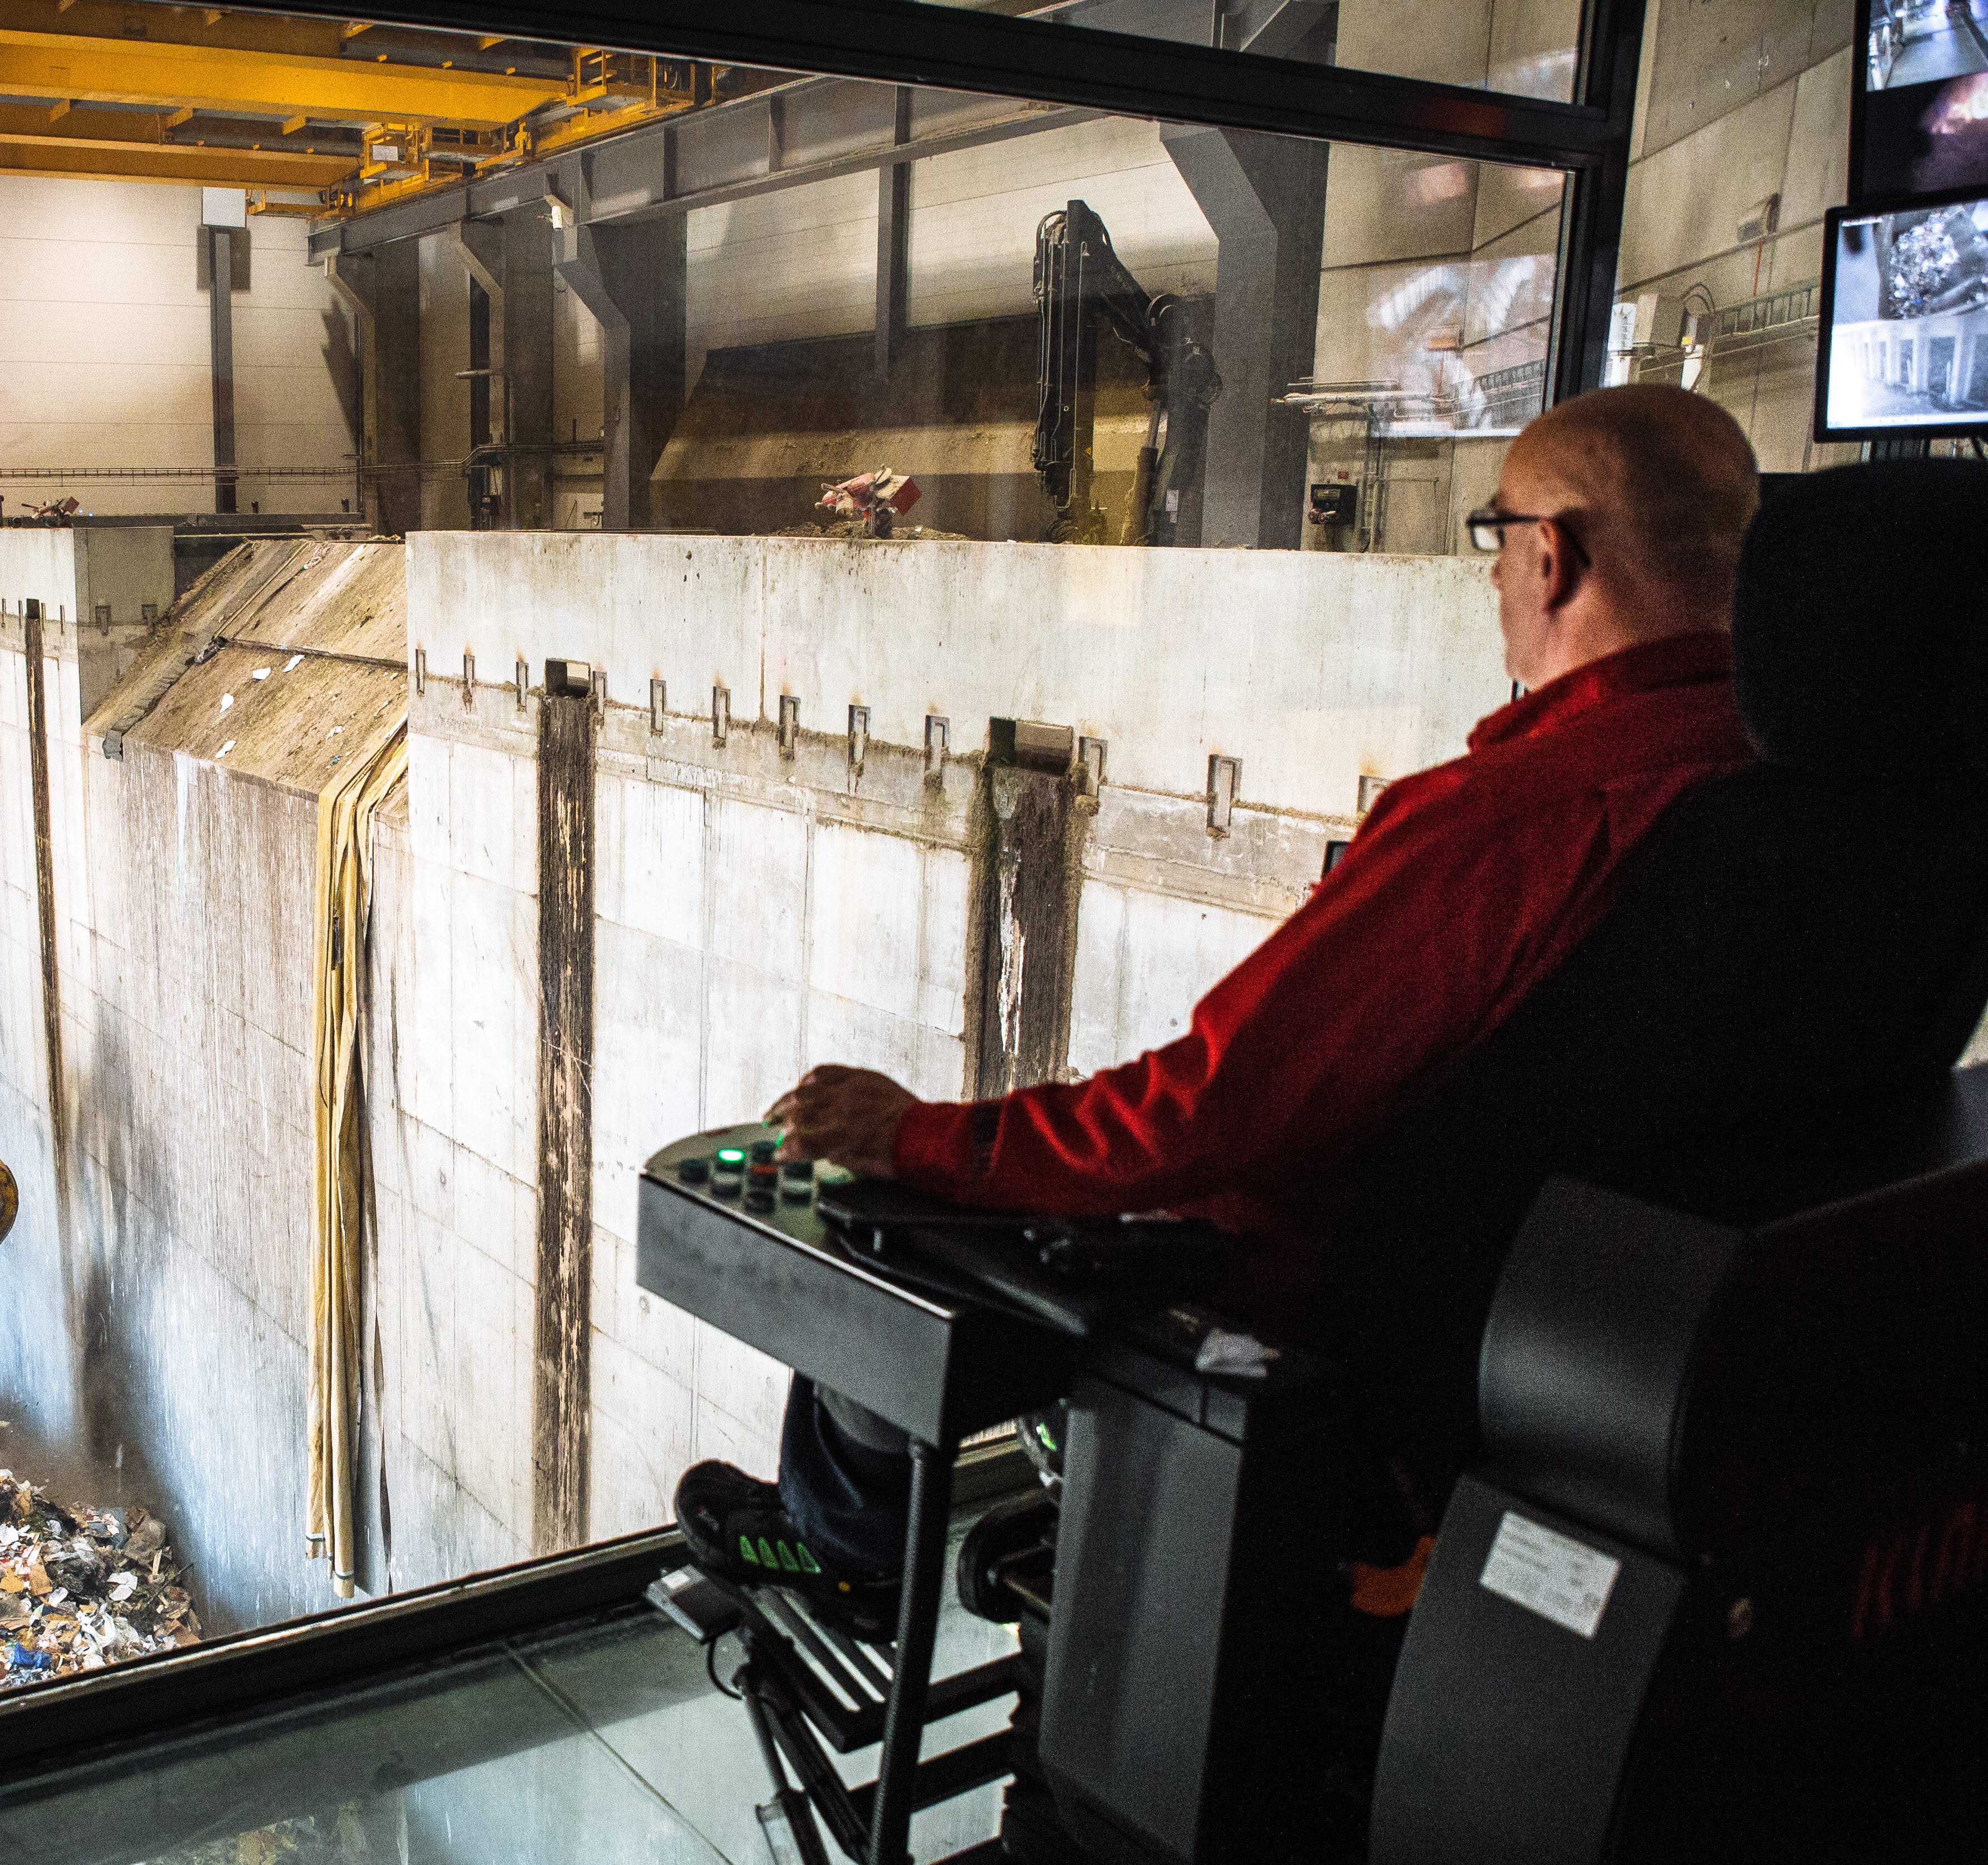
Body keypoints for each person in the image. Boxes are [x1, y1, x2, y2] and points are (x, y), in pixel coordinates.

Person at [672, 383, 1767, 1638]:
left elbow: (1205, 1115)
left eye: (1495, 537)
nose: (1494, 577)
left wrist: (920, 1139)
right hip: (1590, 1365)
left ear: (1550, 555)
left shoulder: (1516, 817)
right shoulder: (1804, 798)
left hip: (1314, 1317)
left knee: (872, 1211)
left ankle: (845, 1545)